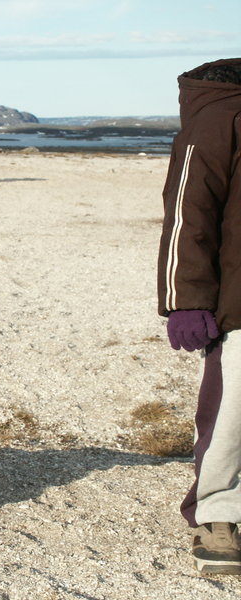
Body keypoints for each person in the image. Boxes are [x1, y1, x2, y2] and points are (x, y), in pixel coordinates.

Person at [157, 58, 241, 576]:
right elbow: (188, 208)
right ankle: (218, 515)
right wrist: (184, 298)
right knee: (232, 413)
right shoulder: (219, 114)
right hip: (239, 296)